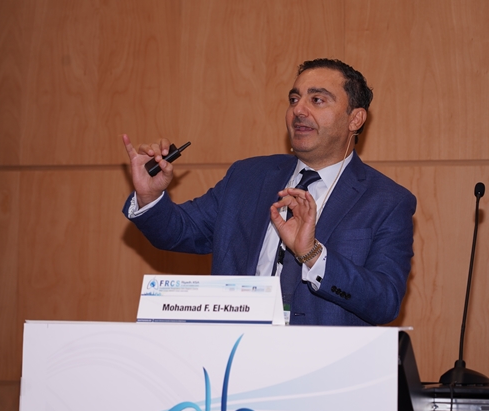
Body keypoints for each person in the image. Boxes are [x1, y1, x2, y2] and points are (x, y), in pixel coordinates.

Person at [122, 58, 416, 326]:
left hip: (324, 361)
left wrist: (312, 254)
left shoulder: (387, 201)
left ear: (355, 119)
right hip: (235, 352)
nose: (298, 110)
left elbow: (384, 301)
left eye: (317, 100)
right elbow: (179, 231)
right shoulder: (247, 178)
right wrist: (149, 196)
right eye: (294, 99)